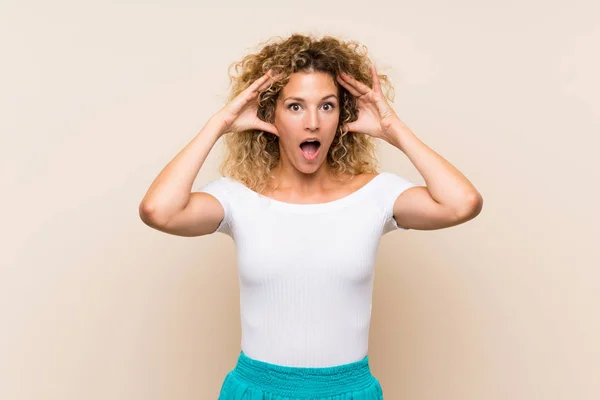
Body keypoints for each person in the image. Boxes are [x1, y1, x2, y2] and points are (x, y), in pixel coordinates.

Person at [139, 33, 483, 399]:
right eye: (296, 106)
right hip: (257, 391)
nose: (313, 123)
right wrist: (219, 124)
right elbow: (158, 210)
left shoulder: (375, 194)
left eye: (327, 106)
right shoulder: (239, 197)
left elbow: (462, 203)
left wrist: (394, 130)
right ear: (270, 114)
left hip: (349, 391)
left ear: (343, 114)